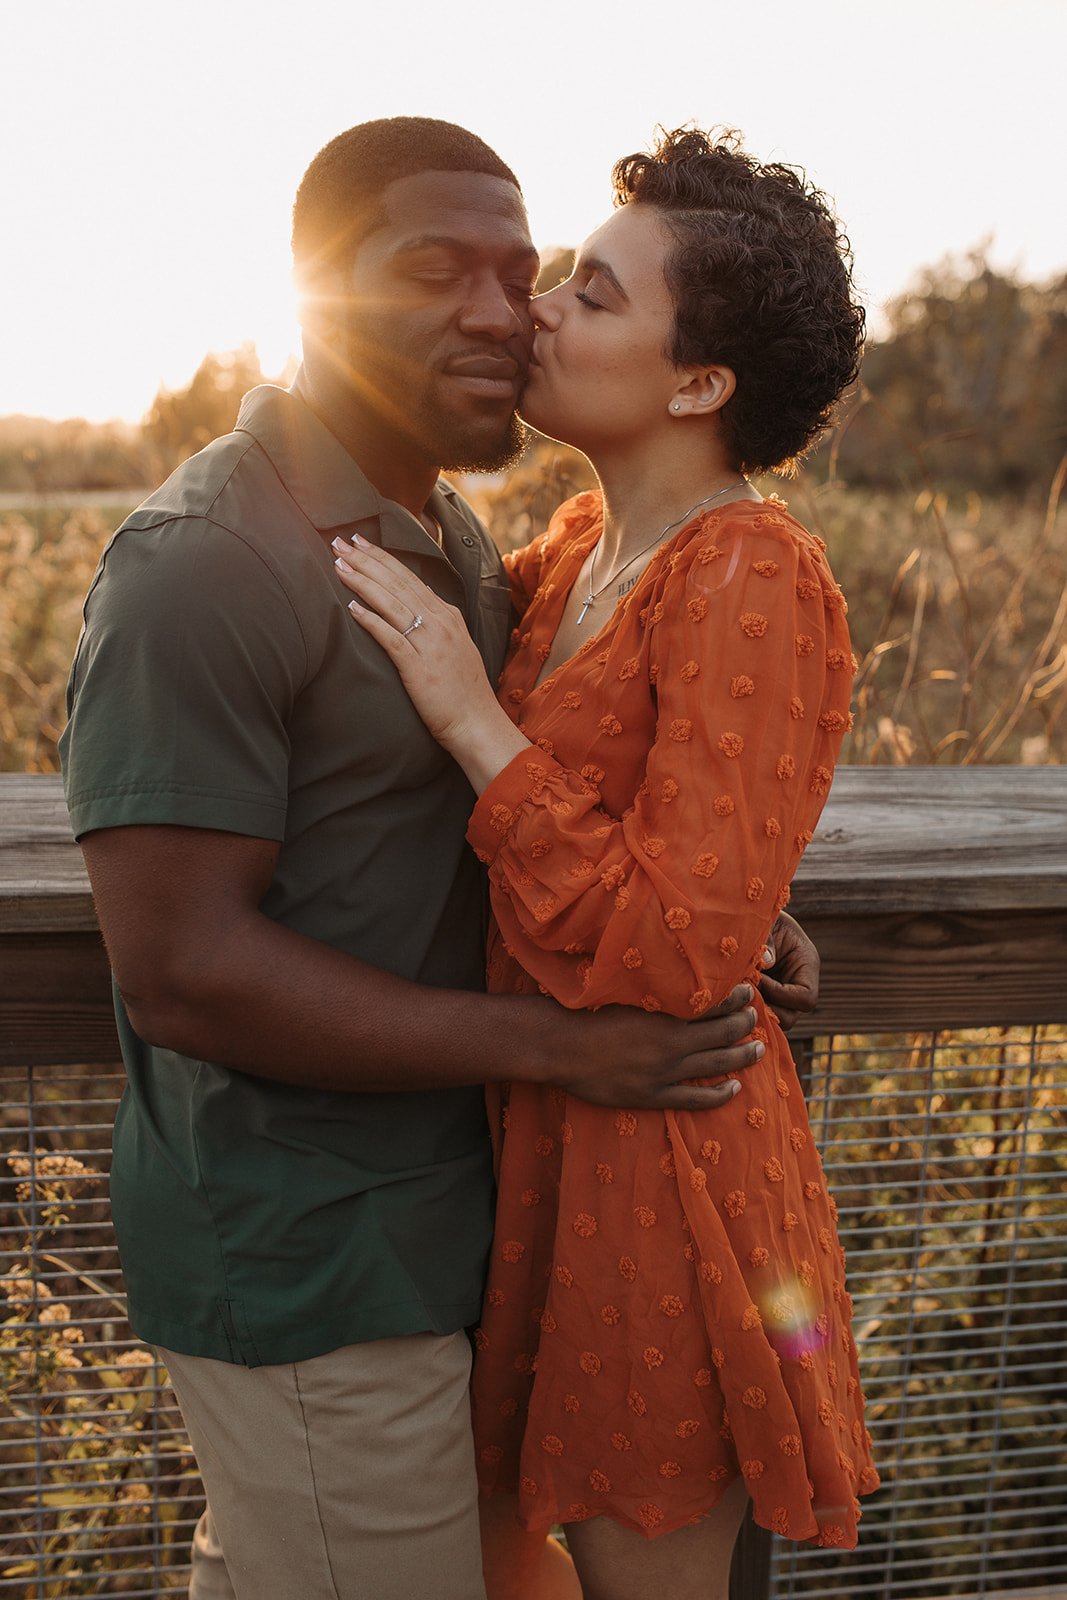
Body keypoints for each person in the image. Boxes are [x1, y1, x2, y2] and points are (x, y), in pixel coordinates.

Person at [58, 118, 819, 1600]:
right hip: (311, 1260)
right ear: (314, 288)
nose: (502, 310)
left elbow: (598, 794)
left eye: (526, 274)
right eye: (434, 271)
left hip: (481, 1231)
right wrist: (562, 1048)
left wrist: (735, 898)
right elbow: (186, 976)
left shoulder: (464, 547)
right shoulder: (206, 556)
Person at [330, 127, 880, 1600]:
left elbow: (672, 947)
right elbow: (686, 854)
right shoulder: (579, 548)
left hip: (669, 1165)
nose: (539, 312)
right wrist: (756, 898)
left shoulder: (751, 572)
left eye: (590, 291)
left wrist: (467, 711)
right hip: (550, 1144)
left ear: (699, 384)